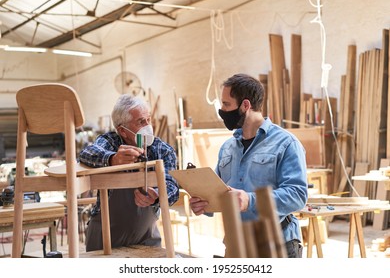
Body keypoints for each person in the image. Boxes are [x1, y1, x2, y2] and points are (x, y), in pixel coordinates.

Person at [189, 73, 308, 258]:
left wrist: (250, 200)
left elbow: (298, 195)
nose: (222, 111)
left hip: (277, 245)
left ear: (245, 105)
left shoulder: (286, 143)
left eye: (226, 104)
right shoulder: (228, 147)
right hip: (236, 244)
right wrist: (203, 205)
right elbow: (219, 192)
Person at [79, 94, 179, 252]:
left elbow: (172, 185)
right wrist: (112, 159)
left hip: (145, 238)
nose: (147, 126)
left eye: (148, 119)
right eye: (141, 122)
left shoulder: (162, 150)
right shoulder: (111, 142)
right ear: (122, 131)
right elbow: (86, 153)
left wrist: (158, 195)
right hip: (104, 239)